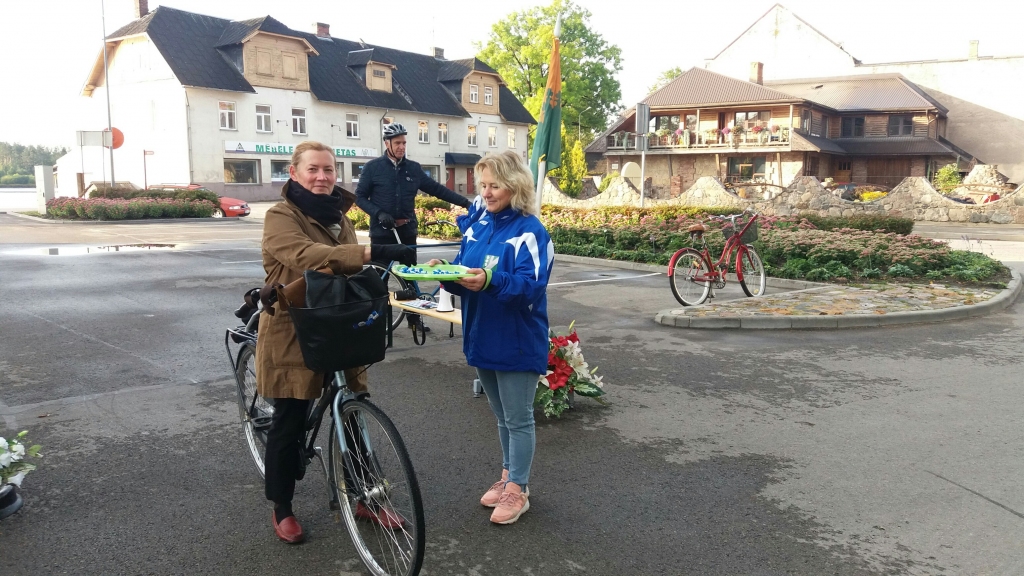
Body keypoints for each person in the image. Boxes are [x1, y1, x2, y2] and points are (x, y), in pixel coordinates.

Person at [257, 141, 414, 544]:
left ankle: (366, 496)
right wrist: (367, 250)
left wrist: (405, 269)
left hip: (336, 322)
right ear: (294, 173)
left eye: (328, 170)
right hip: (293, 328)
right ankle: (282, 506)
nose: (323, 177)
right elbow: (309, 255)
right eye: (313, 169)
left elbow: (349, 265)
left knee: (353, 411)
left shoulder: (337, 215)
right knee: (289, 419)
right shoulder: (280, 216)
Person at [430, 151, 553, 525]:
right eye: (482, 185)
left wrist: (489, 280)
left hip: (516, 339)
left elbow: (530, 288)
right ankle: (507, 477)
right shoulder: (478, 225)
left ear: (515, 185)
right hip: (482, 335)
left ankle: (519, 490)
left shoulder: (532, 231)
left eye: (494, 185)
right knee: (501, 418)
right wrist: (444, 273)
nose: (486, 192)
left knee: (518, 420)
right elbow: (466, 274)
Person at [356, 122, 472, 332]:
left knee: (409, 277)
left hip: (406, 231)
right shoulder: (373, 168)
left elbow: (437, 189)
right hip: (383, 233)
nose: (401, 147)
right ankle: (377, 320)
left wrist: (465, 203)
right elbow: (360, 197)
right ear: (387, 143)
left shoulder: (413, 168)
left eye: (404, 143)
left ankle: (413, 319)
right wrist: (379, 214)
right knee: (379, 280)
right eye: (397, 143)